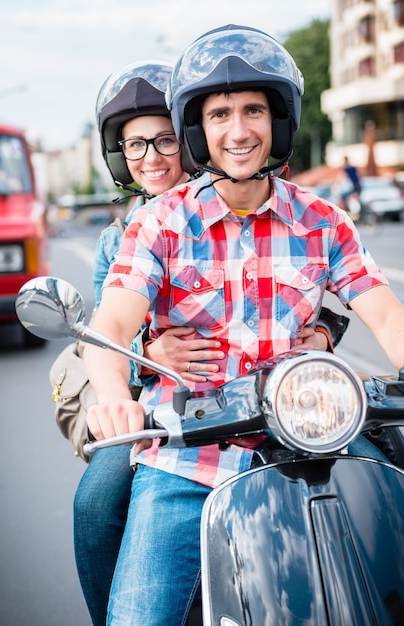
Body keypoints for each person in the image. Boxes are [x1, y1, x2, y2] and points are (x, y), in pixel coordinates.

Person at [83, 25, 403, 625]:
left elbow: (385, 312)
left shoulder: (325, 221)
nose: (238, 131)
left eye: (253, 109)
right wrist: (111, 398)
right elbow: (110, 325)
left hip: (311, 447)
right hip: (186, 460)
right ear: (199, 130)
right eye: (220, 113)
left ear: (279, 121)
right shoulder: (159, 223)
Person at [73, 60, 230, 626]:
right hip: (159, 402)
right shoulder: (118, 237)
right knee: (95, 503)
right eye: (134, 145)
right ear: (119, 157)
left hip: (258, 391)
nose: (151, 157)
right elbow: (103, 330)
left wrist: (320, 331)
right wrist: (149, 351)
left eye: (163, 138)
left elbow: (316, 289)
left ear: (188, 137)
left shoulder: (242, 198)